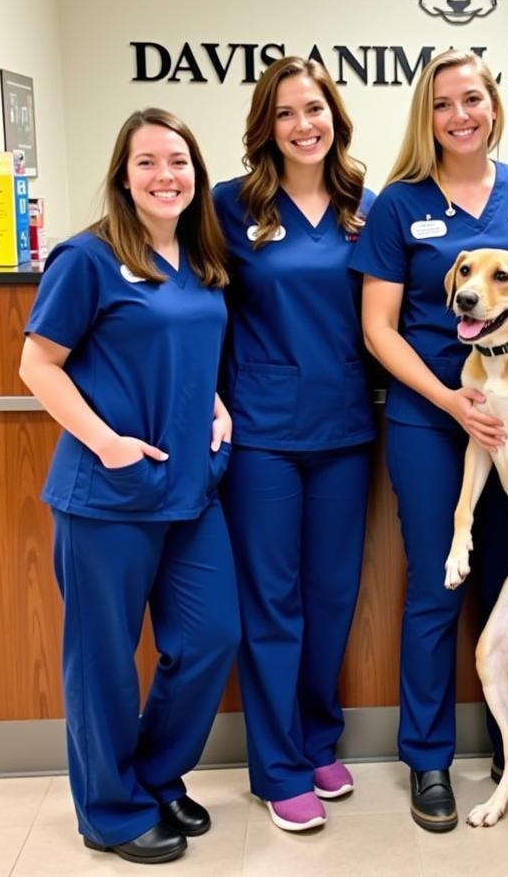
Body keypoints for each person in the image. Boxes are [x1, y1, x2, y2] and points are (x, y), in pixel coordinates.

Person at [353, 49, 508, 832]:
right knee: (437, 585)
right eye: (443, 104)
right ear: (427, 115)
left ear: (493, 104)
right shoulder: (399, 204)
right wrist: (452, 400)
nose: (459, 116)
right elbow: (378, 327)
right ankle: (429, 760)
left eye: (471, 99)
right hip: (430, 419)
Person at [18, 108, 239, 865]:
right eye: (147, 162)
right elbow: (37, 366)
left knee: (213, 637)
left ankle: (152, 774)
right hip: (107, 495)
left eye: (177, 161)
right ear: (123, 175)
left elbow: (188, 348)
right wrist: (106, 442)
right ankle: (110, 813)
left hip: (190, 488)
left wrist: (212, 404)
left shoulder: (203, 260)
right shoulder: (87, 258)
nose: (165, 175)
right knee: (105, 660)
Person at [213, 56, 376, 832]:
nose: (303, 125)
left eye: (314, 109)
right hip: (263, 435)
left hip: (344, 426)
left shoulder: (363, 209)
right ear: (265, 126)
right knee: (272, 600)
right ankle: (276, 766)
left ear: (334, 117)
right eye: (285, 113)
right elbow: (191, 298)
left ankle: (316, 738)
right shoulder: (228, 206)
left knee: (332, 595)